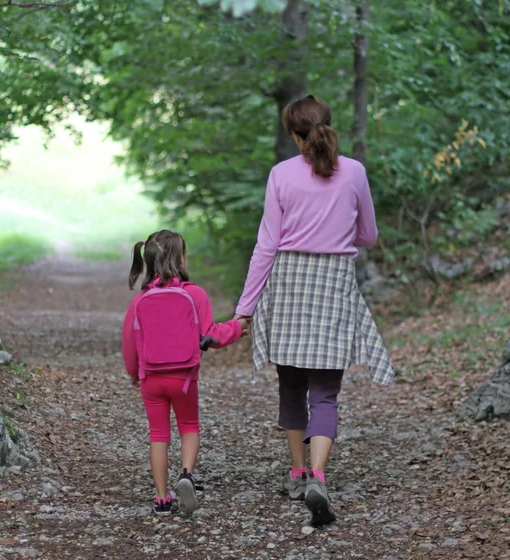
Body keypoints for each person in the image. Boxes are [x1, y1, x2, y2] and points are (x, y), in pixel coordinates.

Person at [234, 95, 394, 526]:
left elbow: (267, 245)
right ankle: (318, 475)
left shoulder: (281, 174)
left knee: (291, 388)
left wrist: (245, 309)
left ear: (293, 133)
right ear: (329, 126)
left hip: (288, 286)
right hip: (333, 285)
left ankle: (297, 472)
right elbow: (369, 235)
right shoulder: (355, 171)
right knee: (325, 392)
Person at [122, 229, 249, 516]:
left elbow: (130, 341)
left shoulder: (140, 299)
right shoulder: (195, 294)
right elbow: (211, 335)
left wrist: (133, 371)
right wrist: (238, 327)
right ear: (180, 258)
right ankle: (186, 475)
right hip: (183, 378)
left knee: (158, 435)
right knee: (189, 426)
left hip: (150, 379)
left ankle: (161, 498)